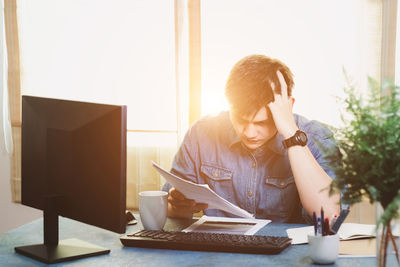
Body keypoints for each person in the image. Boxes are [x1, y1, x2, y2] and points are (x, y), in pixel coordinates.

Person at [163, 54, 341, 223]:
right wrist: (178, 207)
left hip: (288, 254)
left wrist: (291, 135)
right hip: (219, 251)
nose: (249, 132)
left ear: (287, 106)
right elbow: (167, 209)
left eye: (262, 122)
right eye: (240, 119)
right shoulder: (201, 133)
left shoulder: (318, 139)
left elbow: (329, 218)